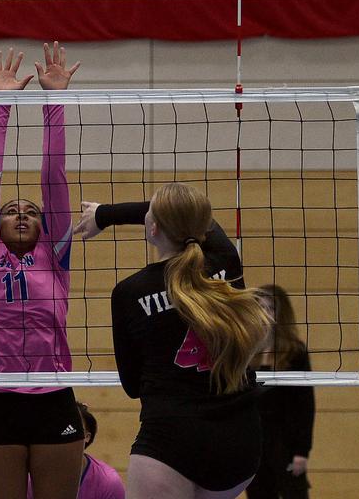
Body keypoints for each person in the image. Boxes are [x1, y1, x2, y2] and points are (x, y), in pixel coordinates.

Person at [76, 184, 271, 499]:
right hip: (240, 442)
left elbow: (132, 386)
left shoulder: (129, 292)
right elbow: (190, 212)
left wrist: (101, 216)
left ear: (152, 228)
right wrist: (106, 214)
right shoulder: (224, 259)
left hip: (172, 440)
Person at [0, 43, 85, 499]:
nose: (20, 214)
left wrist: (53, 101)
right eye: (11, 210)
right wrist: (2, 105)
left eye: (31, 212)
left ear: (45, 224)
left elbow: (54, 178)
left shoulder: (55, 255)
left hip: (54, 397)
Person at [246, 284, 315, 499]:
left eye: (271, 308)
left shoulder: (295, 352)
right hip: (255, 442)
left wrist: (301, 452)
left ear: (281, 312)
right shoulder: (247, 351)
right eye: (260, 307)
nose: (265, 313)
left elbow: (305, 405)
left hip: (285, 440)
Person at [28, 401, 126, 499]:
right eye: (57, 427)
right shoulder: (31, 479)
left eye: (71, 429)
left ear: (86, 437)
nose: (63, 434)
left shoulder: (108, 482)